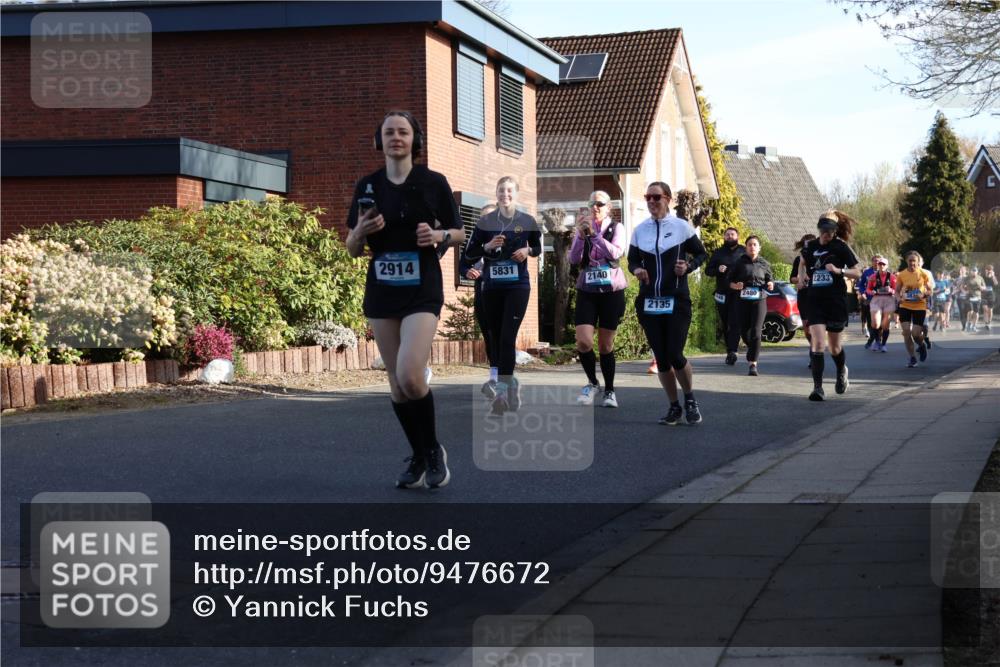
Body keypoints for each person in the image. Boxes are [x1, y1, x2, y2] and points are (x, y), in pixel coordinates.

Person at [346, 111, 464, 489]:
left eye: (403, 132)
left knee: (410, 375)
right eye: (389, 132)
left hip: (422, 288)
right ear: (379, 141)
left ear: (416, 140)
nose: (396, 137)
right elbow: (351, 248)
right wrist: (361, 231)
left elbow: (461, 233)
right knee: (396, 386)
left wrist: (439, 235)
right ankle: (422, 453)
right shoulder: (367, 186)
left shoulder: (433, 182)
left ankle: (431, 452)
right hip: (382, 290)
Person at [628, 181, 708, 425]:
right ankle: (674, 406)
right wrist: (638, 270)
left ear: (668, 199)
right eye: (647, 198)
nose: (651, 202)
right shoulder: (640, 230)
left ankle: (690, 398)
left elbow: (702, 254)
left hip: (676, 299)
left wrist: (689, 266)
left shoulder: (682, 227)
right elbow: (631, 261)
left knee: (675, 353)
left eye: (656, 197)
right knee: (661, 357)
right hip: (649, 301)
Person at [464, 176, 541, 415]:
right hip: (492, 287)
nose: (504, 195)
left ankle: (502, 394)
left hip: (517, 286)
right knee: (496, 338)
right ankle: (510, 386)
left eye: (509, 191)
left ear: (515, 194)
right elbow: (469, 253)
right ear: (496, 194)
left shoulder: (527, 220)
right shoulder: (485, 222)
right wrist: (486, 248)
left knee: (507, 338)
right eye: (500, 191)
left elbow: (537, 247)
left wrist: (527, 250)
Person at [568, 191, 628, 408]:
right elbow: (574, 259)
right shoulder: (584, 228)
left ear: (609, 207)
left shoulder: (616, 228)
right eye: (592, 203)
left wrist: (594, 236)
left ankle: (610, 390)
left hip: (611, 291)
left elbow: (616, 253)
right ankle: (592, 382)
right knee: (584, 341)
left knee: (605, 345)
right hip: (587, 290)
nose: (595, 207)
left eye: (600, 204)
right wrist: (580, 237)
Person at [797, 210, 861, 401]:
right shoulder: (810, 247)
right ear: (819, 229)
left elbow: (858, 272)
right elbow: (801, 263)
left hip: (835, 301)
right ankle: (818, 388)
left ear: (835, 231)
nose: (826, 234)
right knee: (817, 343)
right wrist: (802, 278)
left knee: (834, 348)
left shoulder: (841, 247)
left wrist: (838, 270)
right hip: (815, 300)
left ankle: (841, 370)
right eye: (823, 230)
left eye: (830, 231)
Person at [459, 203, 498, 399]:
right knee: (489, 335)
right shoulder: (474, 241)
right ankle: (494, 376)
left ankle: (503, 379)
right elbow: (462, 265)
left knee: (501, 336)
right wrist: (468, 271)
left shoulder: (506, 239)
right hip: (482, 291)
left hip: (503, 292)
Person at [726, 235, 774, 375]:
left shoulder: (764, 263)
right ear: (746, 247)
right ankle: (751, 349)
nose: (752, 247)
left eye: (755, 244)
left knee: (756, 332)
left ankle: (753, 363)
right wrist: (735, 285)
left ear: (759, 247)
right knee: (744, 330)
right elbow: (728, 281)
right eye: (749, 245)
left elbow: (770, 279)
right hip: (741, 301)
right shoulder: (738, 263)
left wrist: (770, 284)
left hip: (759, 300)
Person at [705, 227, 746, 365]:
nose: (729, 236)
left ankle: (733, 350)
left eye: (732, 234)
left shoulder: (743, 251)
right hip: (722, 292)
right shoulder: (718, 253)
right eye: (727, 234)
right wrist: (717, 269)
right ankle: (729, 350)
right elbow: (708, 271)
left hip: (738, 292)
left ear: (737, 236)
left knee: (734, 321)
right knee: (725, 322)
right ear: (724, 237)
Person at [894, 251, 934, 367]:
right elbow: (897, 291)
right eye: (910, 260)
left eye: (914, 261)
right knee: (906, 332)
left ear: (918, 262)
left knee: (916, 334)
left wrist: (923, 295)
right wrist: (898, 299)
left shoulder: (923, 274)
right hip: (905, 306)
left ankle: (921, 345)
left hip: (919, 306)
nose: (912, 263)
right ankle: (912, 358)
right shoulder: (901, 275)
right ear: (907, 261)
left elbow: (930, 290)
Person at [790, 233, 816, 368]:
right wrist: (799, 280)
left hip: (817, 295)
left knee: (815, 326)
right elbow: (792, 278)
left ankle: (815, 353)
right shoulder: (798, 260)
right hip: (804, 295)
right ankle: (813, 346)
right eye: (807, 243)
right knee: (807, 330)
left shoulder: (820, 259)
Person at [865, 255, 896, 352]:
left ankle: (883, 344)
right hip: (876, 300)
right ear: (877, 265)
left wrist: (890, 290)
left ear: (887, 266)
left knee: (885, 325)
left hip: (888, 300)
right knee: (875, 324)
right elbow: (868, 289)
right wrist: (871, 292)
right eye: (880, 264)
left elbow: (897, 290)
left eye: (883, 264)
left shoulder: (892, 277)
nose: (881, 266)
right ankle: (877, 341)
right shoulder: (872, 277)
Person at [857, 256, 878, 346]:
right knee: (870, 319)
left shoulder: (886, 273)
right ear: (872, 262)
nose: (877, 263)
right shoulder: (867, 272)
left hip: (881, 299)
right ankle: (872, 336)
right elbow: (861, 285)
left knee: (879, 322)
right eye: (875, 261)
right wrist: (863, 293)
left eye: (878, 261)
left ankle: (876, 338)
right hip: (868, 298)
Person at [965, 265, 986, 333]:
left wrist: (981, 288)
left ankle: (974, 326)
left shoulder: (980, 278)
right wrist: (964, 291)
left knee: (976, 313)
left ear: (977, 272)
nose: (974, 272)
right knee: (970, 311)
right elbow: (962, 286)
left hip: (978, 297)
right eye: (973, 271)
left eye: (975, 271)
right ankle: (968, 323)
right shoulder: (967, 278)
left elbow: (984, 287)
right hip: (970, 296)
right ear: (971, 271)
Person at [983, 264, 996, 331]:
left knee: (990, 310)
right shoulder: (983, 277)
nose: (989, 271)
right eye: (988, 270)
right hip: (984, 295)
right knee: (985, 309)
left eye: (990, 270)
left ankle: (989, 322)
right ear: (986, 270)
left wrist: (993, 276)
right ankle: (986, 323)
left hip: (991, 295)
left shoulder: (993, 277)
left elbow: (996, 284)